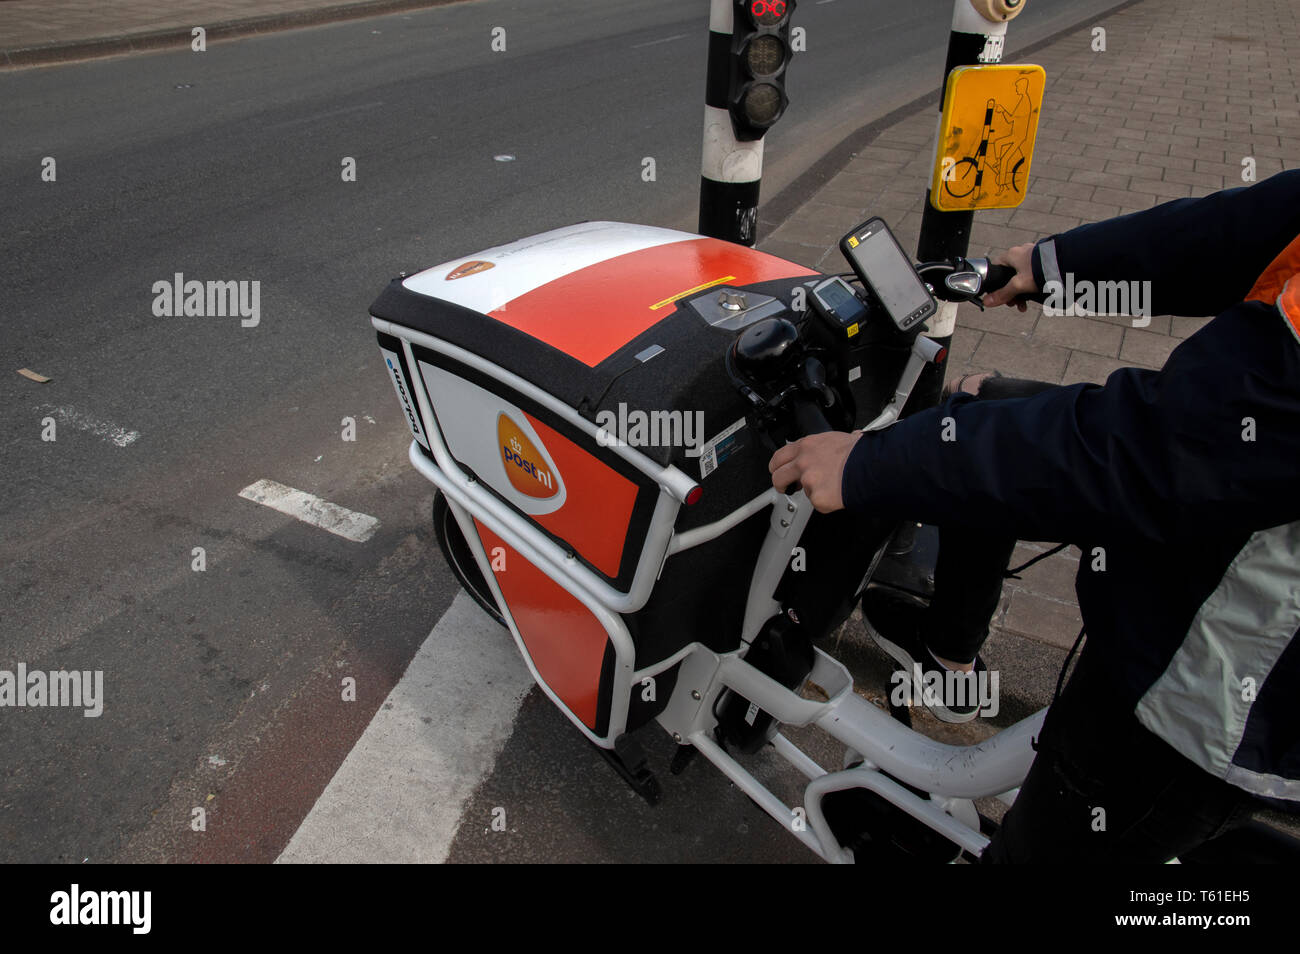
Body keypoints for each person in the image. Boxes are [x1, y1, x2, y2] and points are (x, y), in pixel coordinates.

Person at [768, 169, 1300, 862]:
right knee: (985, 409)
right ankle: (948, 656)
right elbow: (1233, 233)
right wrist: (1048, 266)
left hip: (1214, 679)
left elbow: (1153, 453)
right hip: (1223, 525)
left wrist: (870, 465)